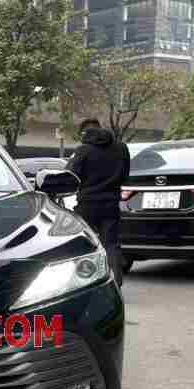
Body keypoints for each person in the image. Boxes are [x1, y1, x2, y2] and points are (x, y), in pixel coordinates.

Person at [66, 118, 130, 286]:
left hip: (87, 204)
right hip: (111, 204)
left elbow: (70, 176)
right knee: (111, 244)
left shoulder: (83, 150)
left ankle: (83, 283)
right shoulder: (122, 148)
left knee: (84, 244)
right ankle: (116, 283)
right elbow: (125, 176)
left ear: (84, 133)